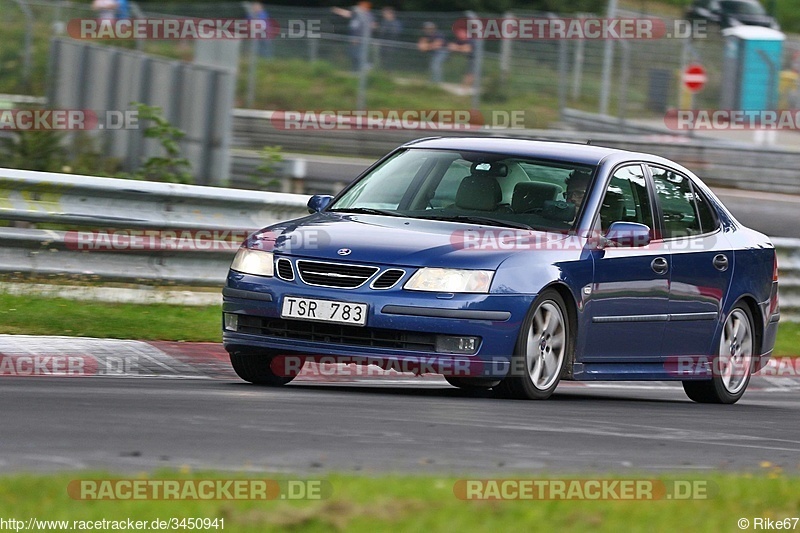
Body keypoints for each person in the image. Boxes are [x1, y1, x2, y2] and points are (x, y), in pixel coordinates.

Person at [332, 2, 376, 72]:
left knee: (360, 54)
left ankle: (365, 66)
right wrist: (338, 10)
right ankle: (355, 70)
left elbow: (373, 25)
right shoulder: (355, 14)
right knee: (353, 54)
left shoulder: (368, 15)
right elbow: (347, 13)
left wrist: (359, 37)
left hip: (361, 38)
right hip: (353, 38)